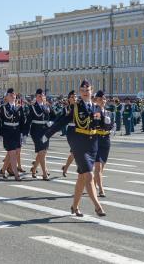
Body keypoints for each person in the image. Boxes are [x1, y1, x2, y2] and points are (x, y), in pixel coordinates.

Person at [43, 80, 106, 217]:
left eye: (87, 90)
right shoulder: (76, 107)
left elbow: (101, 125)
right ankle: (97, 206)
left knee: (81, 178)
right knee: (88, 175)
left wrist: (108, 123)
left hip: (92, 144)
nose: (85, 92)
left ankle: (74, 206)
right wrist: (48, 134)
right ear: (80, 92)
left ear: (91, 91)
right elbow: (62, 121)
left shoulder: (96, 108)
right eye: (82, 90)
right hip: (79, 144)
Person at [27, 88, 55, 180]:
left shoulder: (47, 106)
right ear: (36, 97)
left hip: (46, 131)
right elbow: (28, 121)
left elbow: (54, 116)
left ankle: (34, 169)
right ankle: (44, 174)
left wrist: (51, 122)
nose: (41, 97)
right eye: (39, 96)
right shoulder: (33, 107)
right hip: (36, 131)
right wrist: (24, 133)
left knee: (43, 152)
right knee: (42, 151)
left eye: (43, 95)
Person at [0, 88, 24, 181]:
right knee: (12, 153)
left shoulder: (19, 107)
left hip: (17, 132)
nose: (13, 96)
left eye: (14, 94)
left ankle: (3, 169)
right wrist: (1, 133)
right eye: (11, 95)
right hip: (8, 132)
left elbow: (22, 121)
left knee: (15, 152)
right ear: (7, 97)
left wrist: (23, 133)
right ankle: (16, 175)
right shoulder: (4, 107)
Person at [94, 90, 114, 197]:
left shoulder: (108, 112)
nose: (103, 101)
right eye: (100, 99)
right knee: (98, 166)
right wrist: (102, 121)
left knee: (102, 167)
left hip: (106, 140)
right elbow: (95, 124)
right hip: (96, 139)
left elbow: (112, 125)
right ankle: (101, 189)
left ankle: (93, 182)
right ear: (96, 100)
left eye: (104, 99)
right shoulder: (95, 111)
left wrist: (110, 127)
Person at [60, 90, 77, 177]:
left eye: (75, 96)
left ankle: (65, 168)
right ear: (69, 99)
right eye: (72, 97)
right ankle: (80, 170)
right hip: (71, 130)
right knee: (75, 152)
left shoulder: (79, 107)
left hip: (79, 130)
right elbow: (62, 120)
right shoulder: (66, 108)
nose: (74, 98)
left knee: (75, 152)